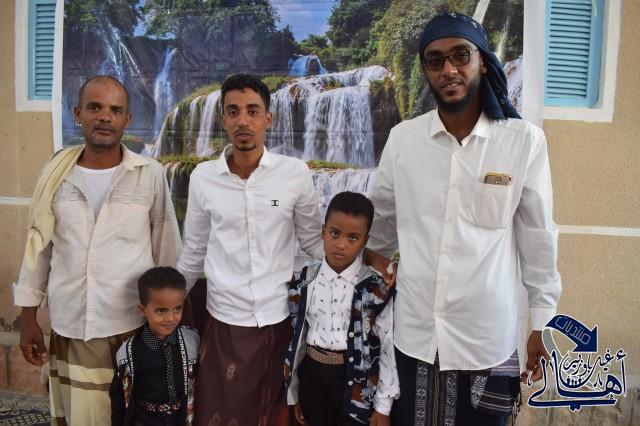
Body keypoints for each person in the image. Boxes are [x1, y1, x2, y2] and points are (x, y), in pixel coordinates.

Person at [366, 13, 562, 426]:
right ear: (425, 70)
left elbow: (538, 239)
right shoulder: (404, 141)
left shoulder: (522, 142)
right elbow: (378, 227)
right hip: (415, 336)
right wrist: (378, 275)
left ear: (483, 62)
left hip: (487, 340)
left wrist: (543, 323)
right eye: (435, 60)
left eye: (460, 56)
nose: (449, 69)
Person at [13, 75, 181, 426]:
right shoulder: (55, 174)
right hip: (72, 327)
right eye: (95, 107)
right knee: (82, 417)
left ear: (127, 119)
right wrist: (28, 319)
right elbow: (39, 247)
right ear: (78, 114)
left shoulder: (148, 174)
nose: (105, 116)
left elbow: (166, 249)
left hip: (132, 328)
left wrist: (170, 320)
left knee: (132, 416)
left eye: (115, 110)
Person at [177, 73, 325, 426]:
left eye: (252, 111)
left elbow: (313, 242)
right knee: (218, 414)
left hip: (278, 321)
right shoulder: (203, 178)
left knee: (271, 416)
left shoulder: (294, 174)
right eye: (233, 111)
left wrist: (362, 268)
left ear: (268, 119)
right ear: (223, 119)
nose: (243, 120)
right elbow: (193, 252)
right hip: (223, 322)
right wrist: (164, 305)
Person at [284, 191, 399, 426]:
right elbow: (298, 338)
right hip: (312, 378)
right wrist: (294, 392)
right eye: (334, 234)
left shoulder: (375, 288)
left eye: (353, 238)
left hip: (355, 381)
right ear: (323, 231)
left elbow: (387, 345)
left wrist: (383, 406)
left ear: (365, 242)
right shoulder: (304, 280)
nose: (341, 245)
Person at [110, 267, 199, 426]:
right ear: (143, 310)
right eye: (161, 311)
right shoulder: (130, 352)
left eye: (177, 309)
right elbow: (118, 400)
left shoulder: (192, 342)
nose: (170, 318)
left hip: (181, 420)